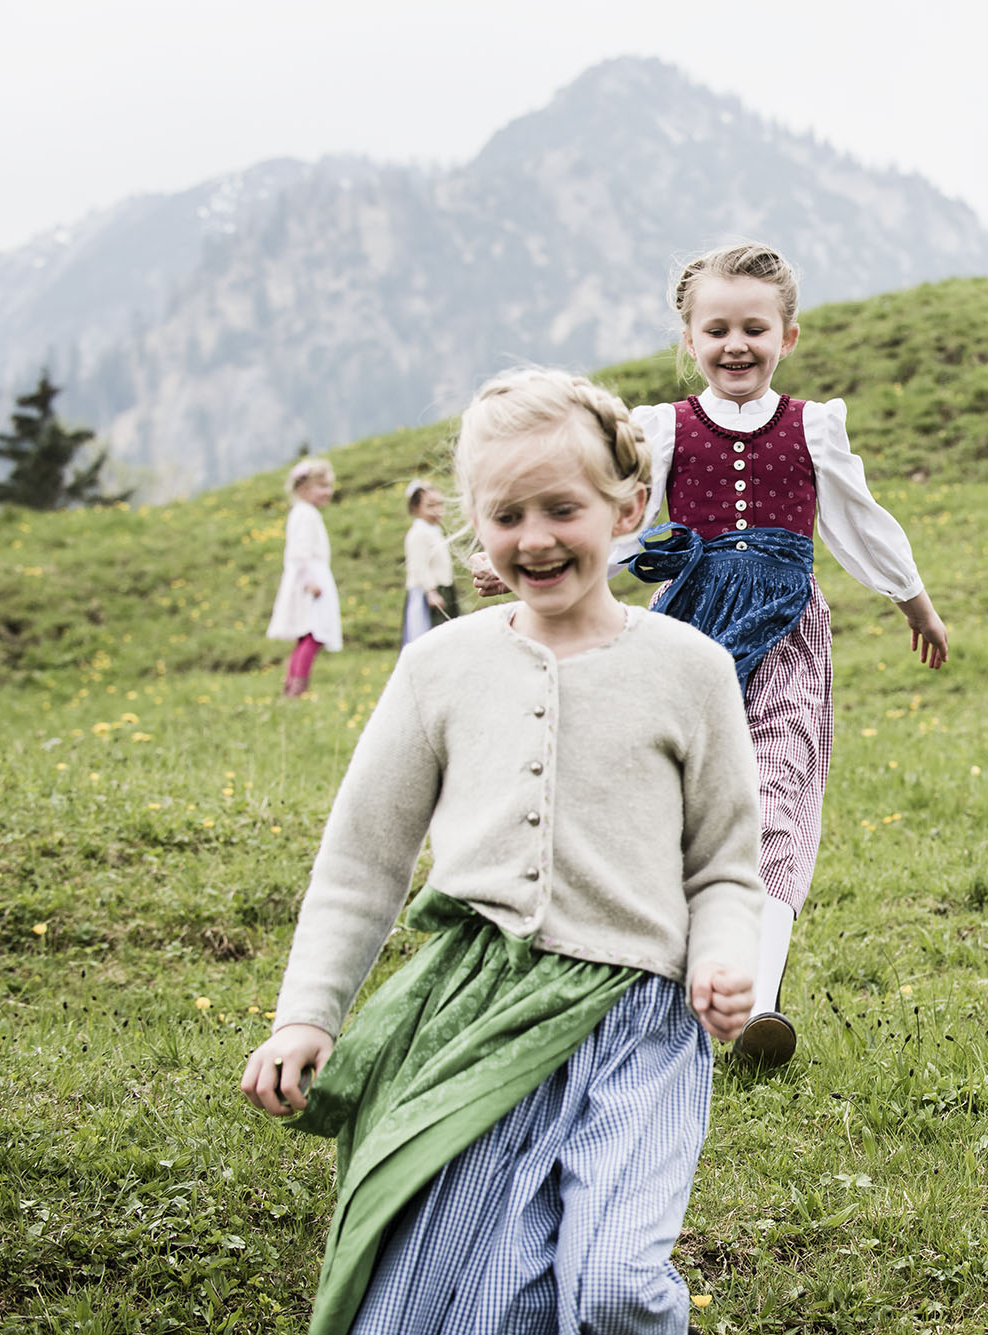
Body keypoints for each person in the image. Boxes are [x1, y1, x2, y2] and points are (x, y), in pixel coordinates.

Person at [241, 367, 763, 1335]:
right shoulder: (438, 668)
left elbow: (726, 864)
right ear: (474, 528)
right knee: (470, 1303)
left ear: (626, 510)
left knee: (613, 1287)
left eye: (562, 508)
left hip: (637, 1024)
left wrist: (724, 959)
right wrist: (306, 1016)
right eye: (506, 515)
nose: (535, 538)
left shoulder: (692, 669)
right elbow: (361, 863)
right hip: (475, 1016)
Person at [477, 243, 950, 1068]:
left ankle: (758, 1000)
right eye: (718, 329)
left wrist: (915, 600)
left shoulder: (813, 425)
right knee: (680, 803)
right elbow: (617, 519)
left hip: (787, 630)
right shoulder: (663, 429)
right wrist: (530, 558)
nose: (737, 345)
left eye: (755, 329)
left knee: (778, 794)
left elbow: (859, 520)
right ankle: (657, 967)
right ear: (690, 339)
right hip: (687, 631)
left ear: (787, 337)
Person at [265, 457, 342, 698]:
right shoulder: (305, 514)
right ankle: (297, 687)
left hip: (311, 575)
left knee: (307, 635)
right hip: (310, 579)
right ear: (304, 489)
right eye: (322, 486)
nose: (328, 491)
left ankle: (292, 685)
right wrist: (309, 580)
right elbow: (300, 551)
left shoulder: (305, 513)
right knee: (313, 634)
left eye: (329, 486)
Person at [401, 480, 458, 647]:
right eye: (431, 506)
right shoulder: (418, 533)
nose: (438, 510)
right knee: (429, 635)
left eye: (440, 504)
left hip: (443, 588)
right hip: (428, 593)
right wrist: (431, 592)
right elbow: (418, 566)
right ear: (415, 508)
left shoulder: (434, 531)